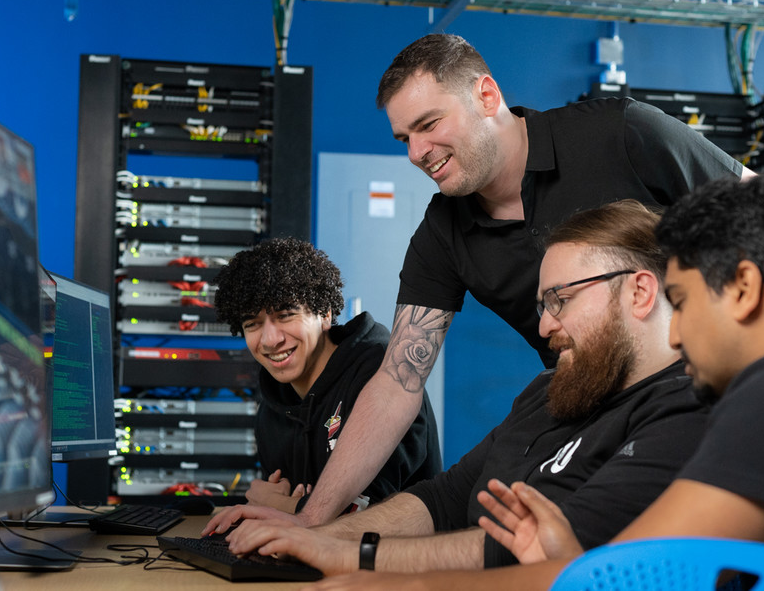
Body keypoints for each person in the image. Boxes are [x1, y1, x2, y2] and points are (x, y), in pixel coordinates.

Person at [211, 33, 751, 529]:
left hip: (704, 397)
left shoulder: (622, 132)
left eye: (428, 125)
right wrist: (312, 521)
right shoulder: (442, 233)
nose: (416, 153)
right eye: (404, 137)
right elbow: (398, 383)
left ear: (487, 96)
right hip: (588, 411)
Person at [310, 174, 764, 591]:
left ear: (743, 288)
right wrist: (573, 560)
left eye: (685, 302)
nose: (680, 330)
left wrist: (395, 584)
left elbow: (625, 572)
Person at [210, 200, 709, 576]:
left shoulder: (686, 412)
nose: (544, 328)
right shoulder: (549, 391)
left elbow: (526, 555)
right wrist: (311, 534)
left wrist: (347, 554)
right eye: (543, 306)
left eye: (560, 300)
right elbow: (444, 498)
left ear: (640, 291)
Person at [212, 237, 441, 515]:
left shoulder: (383, 377)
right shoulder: (273, 410)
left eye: (285, 315)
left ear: (324, 313)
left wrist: (272, 503)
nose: (270, 340)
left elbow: (368, 517)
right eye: (253, 324)